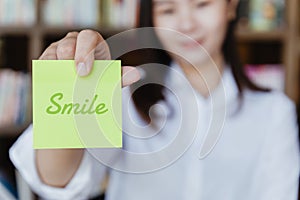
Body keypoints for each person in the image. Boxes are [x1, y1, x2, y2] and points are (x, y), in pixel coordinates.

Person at [9, 0, 300, 199]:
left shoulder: (274, 113)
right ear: (152, 16)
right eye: (168, 9)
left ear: (231, 6)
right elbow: (57, 182)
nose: (186, 23)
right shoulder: (126, 94)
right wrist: (72, 88)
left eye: (202, 4)